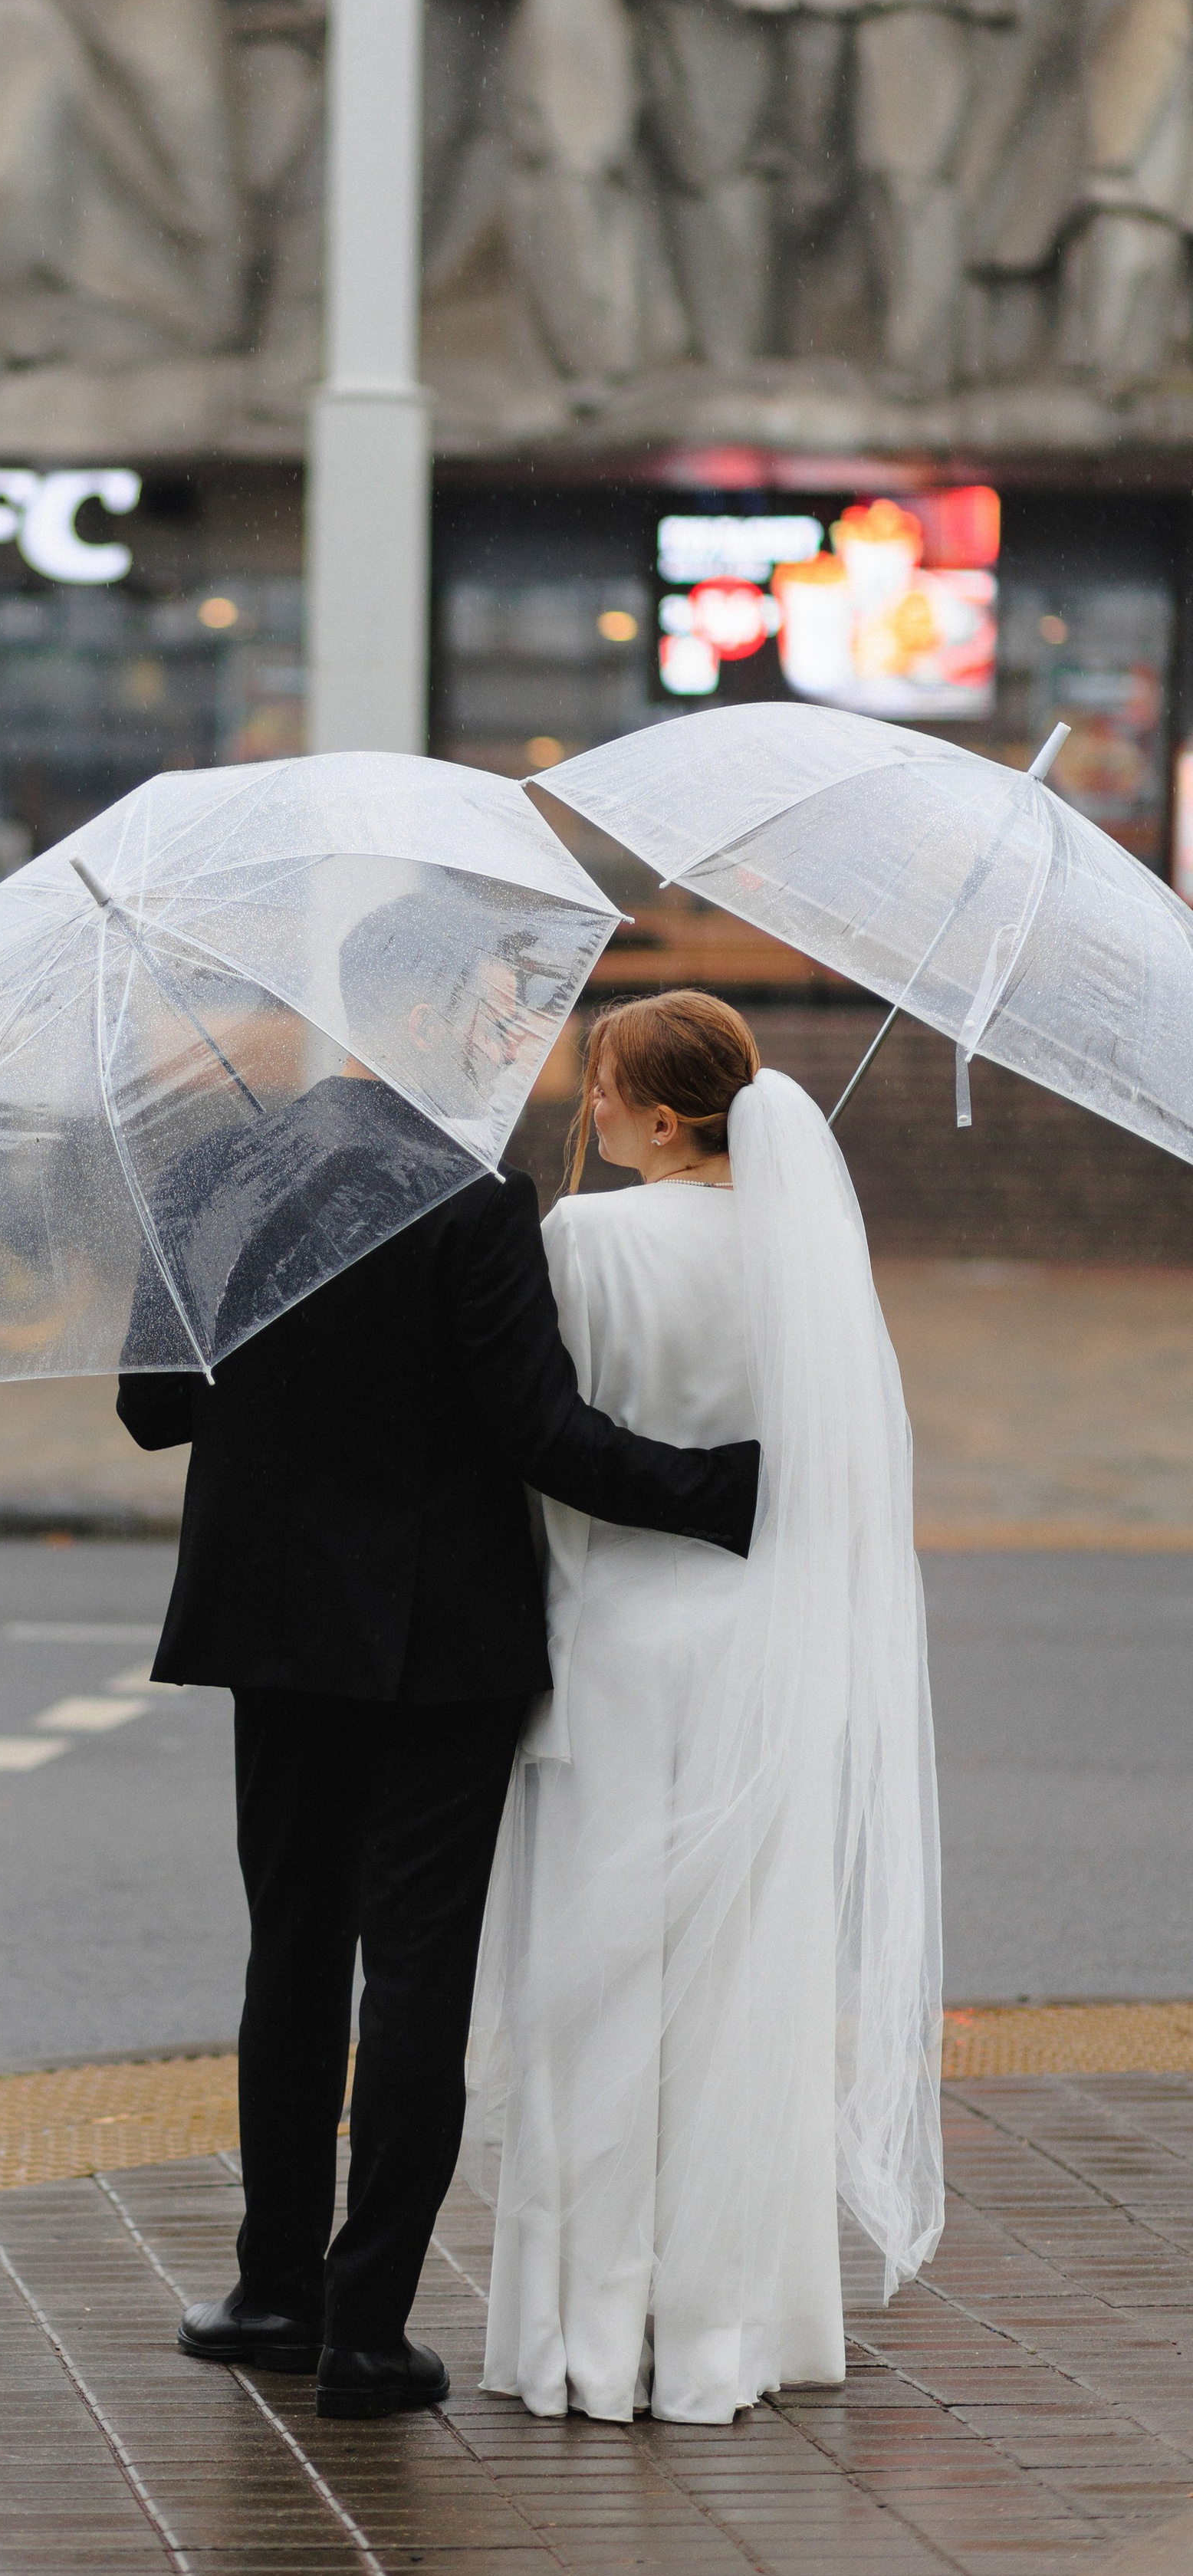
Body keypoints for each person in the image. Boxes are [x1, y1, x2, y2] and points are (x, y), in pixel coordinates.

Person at [115, 907, 763, 2423]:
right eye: (486, 1006)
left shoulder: (217, 1169)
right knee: (415, 1971)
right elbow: (543, 1438)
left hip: (271, 1626)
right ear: (421, 1017)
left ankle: (268, 2287)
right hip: (437, 1642)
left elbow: (154, 1408)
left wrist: (238, 1306)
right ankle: (363, 2329)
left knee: (291, 1953)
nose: (504, 1028)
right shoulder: (473, 1201)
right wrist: (728, 1488)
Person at [465, 993, 943, 2426]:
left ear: (660, 1119)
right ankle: (741, 2327)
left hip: (615, 1628)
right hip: (756, 1633)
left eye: (600, 1089)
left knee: (602, 1979)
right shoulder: (809, 1260)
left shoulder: (582, 1240)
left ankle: (584, 2337)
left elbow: (550, 1458)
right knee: (745, 1975)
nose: (585, 1108)